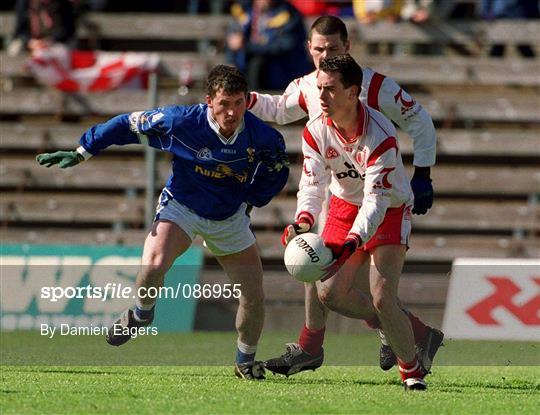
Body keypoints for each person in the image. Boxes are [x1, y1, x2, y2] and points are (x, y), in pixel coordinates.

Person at [35, 64, 290, 381]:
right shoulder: (180, 121)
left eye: (239, 103)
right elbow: (125, 125)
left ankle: (244, 361)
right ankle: (141, 313)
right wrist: (84, 149)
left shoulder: (262, 136)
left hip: (228, 218)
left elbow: (278, 170)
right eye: (225, 103)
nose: (232, 112)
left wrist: (253, 198)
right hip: (181, 207)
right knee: (153, 264)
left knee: (253, 296)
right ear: (209, 100)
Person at [248, 16, 442, 375]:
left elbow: (420, 121)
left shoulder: (374, 86)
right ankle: (311, 346)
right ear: (309, 48)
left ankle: (401, 332)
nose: (324, 56)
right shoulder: (311, 86)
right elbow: (278, 109)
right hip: (338, 197)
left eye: (333, 48)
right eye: (318, 49)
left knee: (380, 293)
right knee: (313, 261)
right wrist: (246, 100)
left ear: (347, 47)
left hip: (381, 197)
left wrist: (424, 173)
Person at [286, 54, 432, 390]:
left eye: (330, 90)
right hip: (341, 205)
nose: (320, 97)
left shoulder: (380, 135)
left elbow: (376, 202)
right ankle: (408, 331)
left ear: (353, 93)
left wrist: (353, 240)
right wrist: (303, 221)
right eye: (319, 89)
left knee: (382, 296)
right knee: (329, 294)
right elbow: (311, 183)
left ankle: (411, 370)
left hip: (390, 208)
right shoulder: (314, 130)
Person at [226, 0, 312, 90]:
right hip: (245, 72)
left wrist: (247, 46)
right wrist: (231, 61)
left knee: (258, 64)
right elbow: (233, 41)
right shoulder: (245, 10)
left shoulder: (288, 13)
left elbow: (285, 45)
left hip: (280, 75)